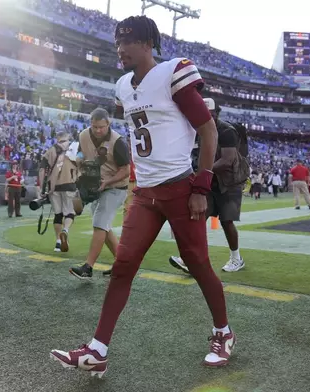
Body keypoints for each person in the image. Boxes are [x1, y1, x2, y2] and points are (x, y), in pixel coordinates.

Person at [51, 16, 234, 377]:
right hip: (146, 192)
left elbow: (208, 130)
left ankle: (223, 333)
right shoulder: (122, 85)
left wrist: (201, 185)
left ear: (148, 43)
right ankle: (98, 349)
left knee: (197, 264)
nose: (120, 49)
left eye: (127, 42)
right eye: (117, 42)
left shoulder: (172, 73)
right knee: (122, 267)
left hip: (181, 187)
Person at [169, 98, 246, 274]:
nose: (207, 116)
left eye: (211, 113)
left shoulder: (227, 131)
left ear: (217, 113)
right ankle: (191, 259)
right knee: (198, 217)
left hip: (229, 182)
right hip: (210, 181)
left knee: (227, 221)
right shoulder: (198, 130)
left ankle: (236, 258)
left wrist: (202, 171)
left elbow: (228, 160)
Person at [69, 108, 131, 279]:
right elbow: (80, 152)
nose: (97, 130)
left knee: (99, 223)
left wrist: (108, 182)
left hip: (115, 187)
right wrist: (80, 160)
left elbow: (126, 170)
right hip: (94, 186)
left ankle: (88, 267)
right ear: (91, 124)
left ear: (108, 124)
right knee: (104, 227)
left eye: (101, 127)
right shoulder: (83, 135)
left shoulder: (118, 141)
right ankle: (123, 265)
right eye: (95, 127)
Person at [38, 131, 78, 252]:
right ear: (67, 138)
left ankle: (58, 242)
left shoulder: (50, 151)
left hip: (53, 186)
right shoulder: (74, 148)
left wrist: (42, 187)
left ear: (57, 139)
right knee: (70, 213)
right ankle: (65, 231)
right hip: (70, 184)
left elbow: (42, 169)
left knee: (57, 214)